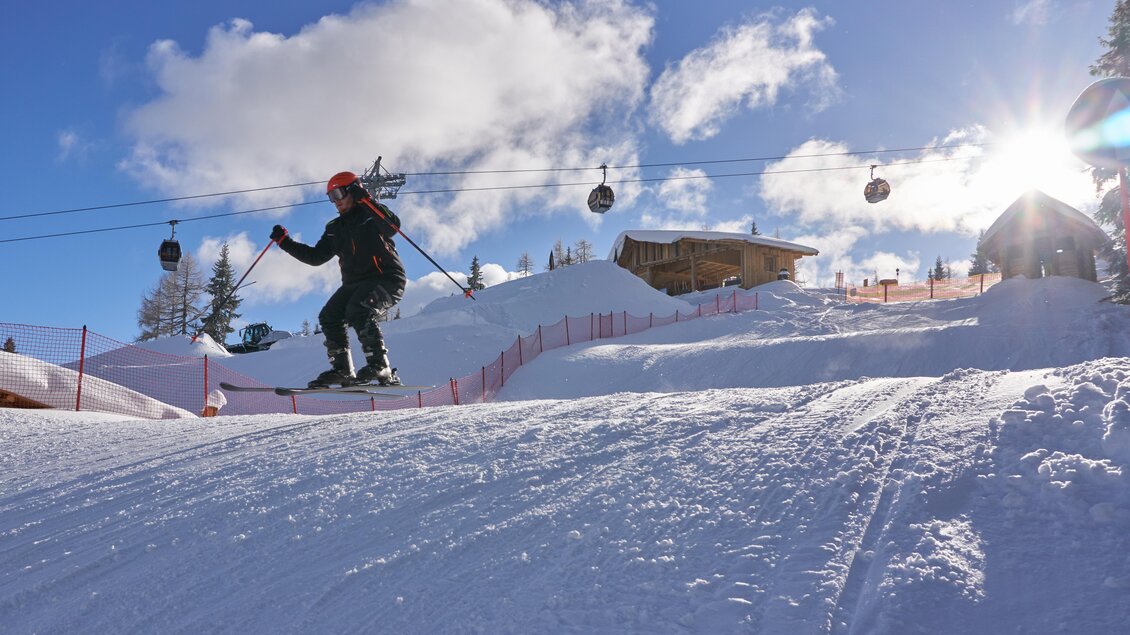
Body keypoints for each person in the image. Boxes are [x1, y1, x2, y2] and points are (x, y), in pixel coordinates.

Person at [270, 171, 407, 387]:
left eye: (339, 194)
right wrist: (285, 242)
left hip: (386, 278)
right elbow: (316, 257)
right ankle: (342, 370)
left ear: (354, 190)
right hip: (354, 284)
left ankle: (381, 366)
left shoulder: (370, 214)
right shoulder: (335, 228)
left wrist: (368, 201)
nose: (335, 202)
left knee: (359, 310)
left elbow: (392, 227)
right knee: (329, 315)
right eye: (331, 197)